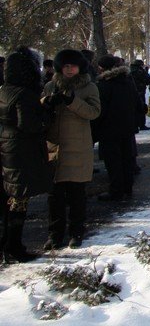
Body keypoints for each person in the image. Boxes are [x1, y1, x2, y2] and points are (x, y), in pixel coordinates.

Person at [42, 49, 101, 249]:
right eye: (65, 66)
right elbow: (40, 110)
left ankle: (76, 233)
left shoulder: (88, 87)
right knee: (54, 197)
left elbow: (94, 112)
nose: (69, 70)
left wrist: (72, 102)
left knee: (76, 195)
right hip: (55, 148)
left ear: (79, 67)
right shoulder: (51, 86)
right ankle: (54, 235)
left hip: (77, 148)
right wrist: (47, 103)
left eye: (73, 66)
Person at [0, 47, 51, 263]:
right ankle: (14, 245)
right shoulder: (25, 94)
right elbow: (30, 126)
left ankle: (7, 243)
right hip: (20, 152)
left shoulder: (4, 90)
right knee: (19, 200)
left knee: (7, 199)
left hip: (5, 147)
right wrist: (47, 112)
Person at [93, 55, 141, 202]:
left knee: (113, 162)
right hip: (127, 128)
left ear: (101, 68)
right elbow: (138, 104)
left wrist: (95, 129)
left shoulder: (103, 85)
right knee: (127, 159)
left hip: (109, 130)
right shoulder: (128, 81)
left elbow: (100, 111)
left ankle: (116, 190)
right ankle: (127, 187)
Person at [129, 59, 150, 131]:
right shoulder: (140, 71)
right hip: (140, 92)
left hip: (133, 93)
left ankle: (135, 125)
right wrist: (146, 71)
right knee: (141, 109)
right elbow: (148, 80)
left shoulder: (130, 70)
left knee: (134, 110)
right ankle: (141, 125)